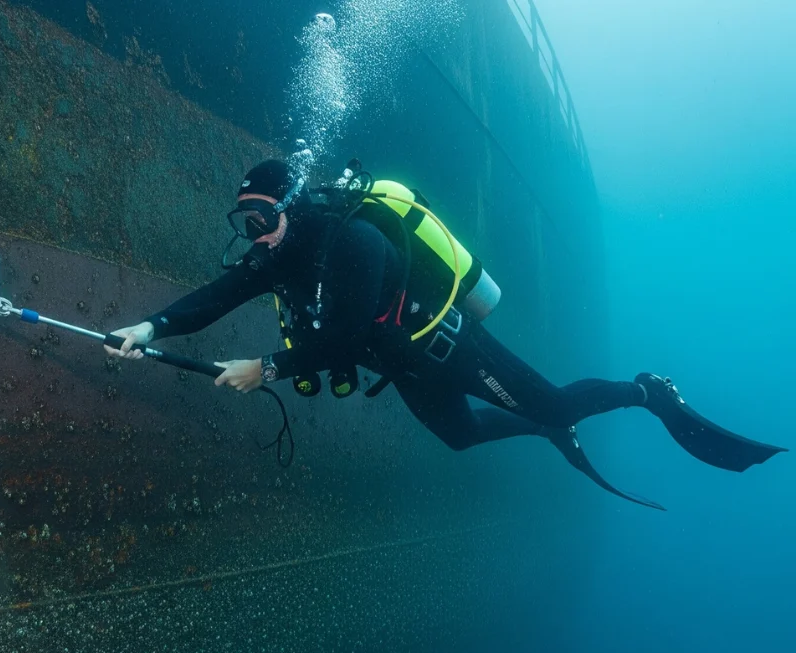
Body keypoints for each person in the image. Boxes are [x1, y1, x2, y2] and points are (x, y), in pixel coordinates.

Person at [105, 159, 786, 510]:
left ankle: (646, 390)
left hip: (447, 345)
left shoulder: (356, 242)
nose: (254, 239)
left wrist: (269, 368)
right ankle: (545, 428)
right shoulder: (278, 255)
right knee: (463, 437)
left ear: (291, 208)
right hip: (404, 366)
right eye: (244, 224)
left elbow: (341, 339)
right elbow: (220, 293)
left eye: (263, 221)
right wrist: (152, 324)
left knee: (550, 400)